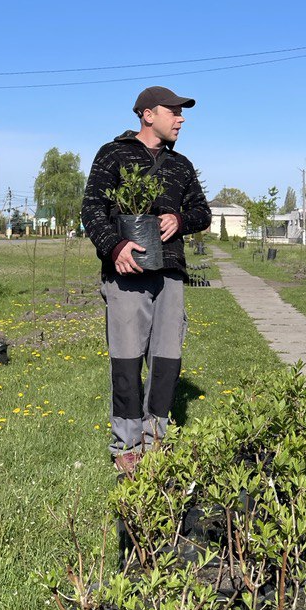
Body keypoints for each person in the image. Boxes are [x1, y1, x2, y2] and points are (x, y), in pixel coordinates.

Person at [82, 85, 211, 474]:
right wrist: (114, 247)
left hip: (169, 274)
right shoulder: (113, 154)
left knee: (167, 359)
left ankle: (156, 439)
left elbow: (202, 211)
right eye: (174, 111)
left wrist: (182, 219)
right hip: (127, 275)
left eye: (182, 112)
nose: (181, 118)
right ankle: (126, 444)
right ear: (148, 114)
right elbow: (92, 208)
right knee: (126, 360)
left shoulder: (181, 166)